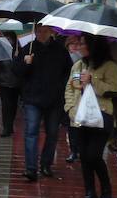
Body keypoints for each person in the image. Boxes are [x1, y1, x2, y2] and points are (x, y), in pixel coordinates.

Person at [64, 34, 117, 198]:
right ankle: (90, 195)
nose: (78, 46)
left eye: (82, 43)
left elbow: (113, 90)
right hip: (80, 117)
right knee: (84, 158)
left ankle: (106, 190)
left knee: (93, 155)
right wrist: (70, 109)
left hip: (102, 117)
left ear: (93, 46)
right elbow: (71, 88)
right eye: (78, 43)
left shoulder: (110, 66)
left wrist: (92, 80)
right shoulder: (79, 65)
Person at [14, 23, 73, 181]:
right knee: (31, 132)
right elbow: (17, 72)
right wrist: (25, 63)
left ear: (51, 32)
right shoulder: (28, 48)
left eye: (44, 31)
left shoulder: (60, 50)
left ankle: (46, 164)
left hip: (54, 100)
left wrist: (60, 89)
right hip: (32, 98)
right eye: (38, 31)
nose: (41, 34)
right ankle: (31, 168)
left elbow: (68, 72)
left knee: (52, 133)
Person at [0, 31, 22, 138]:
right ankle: (6, 127)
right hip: (4, 83)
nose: (9, 41)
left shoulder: (19, 52)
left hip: (16, 84)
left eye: (10, 39)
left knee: (13, 106)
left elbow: (21, 68)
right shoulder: (0, 52)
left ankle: (10, 125)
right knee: (5, 106)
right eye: (6, 38)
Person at [64, 34, 83, 162]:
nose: (75, 47)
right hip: (71, 98)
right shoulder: (66, 59)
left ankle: (79, 150)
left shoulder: (83, 62)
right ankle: (74, 150)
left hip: (83, 97)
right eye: (72, 44)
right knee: (72, 126)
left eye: (78, 44)